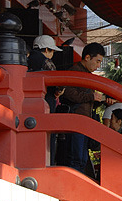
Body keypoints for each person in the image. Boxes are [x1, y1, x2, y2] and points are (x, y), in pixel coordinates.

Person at [59, 42, 105, 178]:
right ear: (87, 57)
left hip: (83, 121)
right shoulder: (75, 72)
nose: (98, 66)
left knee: (82, 159)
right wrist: (91, 96)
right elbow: (68, 93)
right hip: (76, 121)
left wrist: (96, 101)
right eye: (97, 61)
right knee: (76, 158)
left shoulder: (85, 74)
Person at [27, 35, 64, 113]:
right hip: (46, 100)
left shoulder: (27, 59)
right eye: (53, 51)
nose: (53, 54)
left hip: (28, 101)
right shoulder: (46, 61)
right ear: (47, 49)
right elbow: (57, 81)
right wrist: (59, 91)